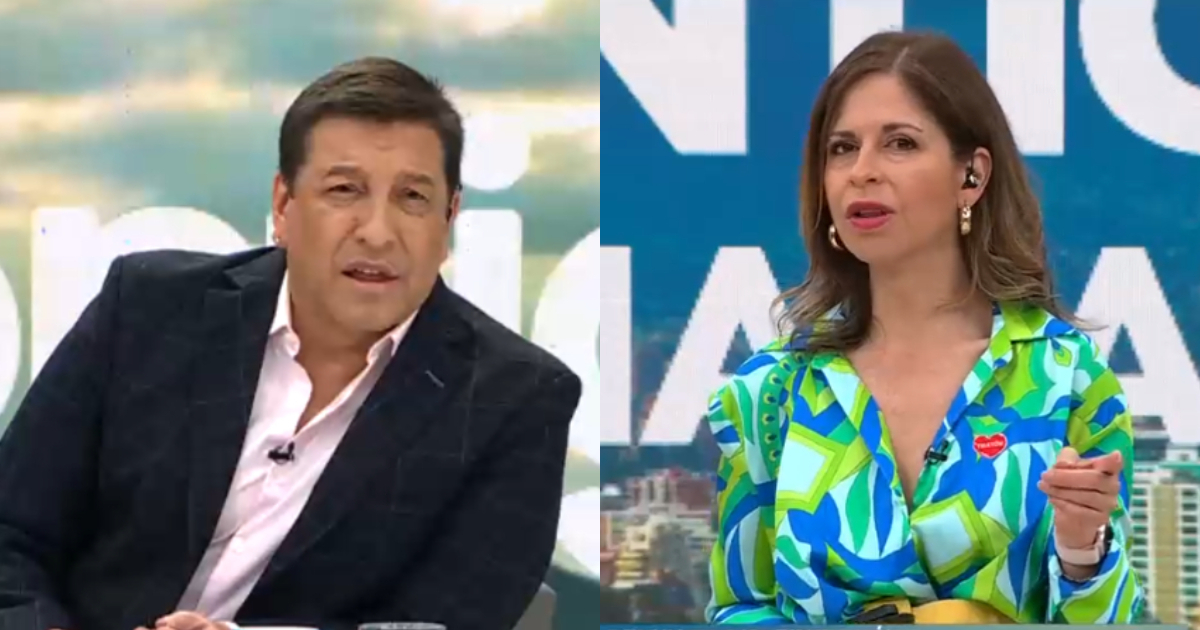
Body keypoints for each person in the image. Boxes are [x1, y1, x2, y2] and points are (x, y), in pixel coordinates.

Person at [0, 57, 581, 630]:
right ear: (283, 206)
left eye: (412, 198)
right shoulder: (149, 307)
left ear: (448, 219)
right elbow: (11, 533)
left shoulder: (517, 397)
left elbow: (444, 624)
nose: (378, 232)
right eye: (345, 190)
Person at [706, 31, 1142, 625]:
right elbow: (739, 606)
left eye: (900, 144)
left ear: (972, 176)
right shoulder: (770, 392)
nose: (862, 172)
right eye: (842, 149)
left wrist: (1082, 552)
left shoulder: (1066, 377)